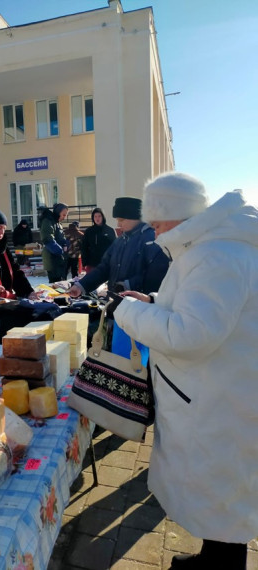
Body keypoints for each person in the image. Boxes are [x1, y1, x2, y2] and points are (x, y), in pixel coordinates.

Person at [114, 172, 258, 569]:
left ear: (177, 213)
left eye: (157, 219)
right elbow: (201, 309)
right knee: (221, 494)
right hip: (221, 390)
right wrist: (155, 300)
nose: (154, 229)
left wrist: (127, 310)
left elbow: (192, 334)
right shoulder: (214, 248)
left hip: (219, 397)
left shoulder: (216, 254)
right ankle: (213, 557)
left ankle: (221, 564)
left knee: (221, 493)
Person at [69, 197, 169, 298]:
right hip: (116, 301)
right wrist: (81, 285)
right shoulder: (121, 240)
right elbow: (105, 267)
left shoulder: (152, 239)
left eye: (121, 220)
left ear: (135, 217)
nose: (118, 224)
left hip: (139, 306)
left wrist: (127, 285)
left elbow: (156, 276)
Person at [39, 203, 70, 283]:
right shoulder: (48, 221)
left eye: (65, 215)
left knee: (61, 284)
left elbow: (62, 238)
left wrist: (65, 244)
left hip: (59, 260)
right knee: (55, 284)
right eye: (63, 215)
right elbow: (48, 239)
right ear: (58, 212)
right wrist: (61, 251)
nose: (64, 217)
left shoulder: (58, 223)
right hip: (52, 260)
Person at [81, 207, 116, 273]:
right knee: (91, 282)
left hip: (106, 264)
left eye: (99, 216)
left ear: (103, 217)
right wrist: (84, 263)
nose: (97, 218)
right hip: (92, 264)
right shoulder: (89, 231)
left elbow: (115, 247)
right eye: (95, 216)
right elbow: (84, 247)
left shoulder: (110, 230)